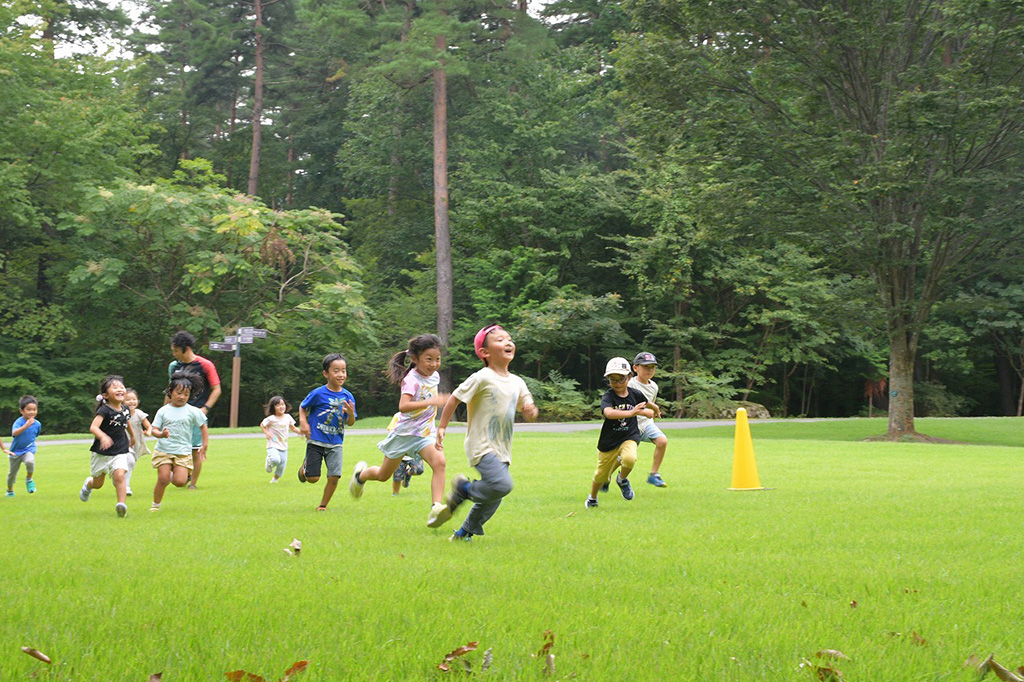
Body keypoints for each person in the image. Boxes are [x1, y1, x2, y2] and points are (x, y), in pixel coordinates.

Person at [437, 324, 538, 541]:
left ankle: (463, 533)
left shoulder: (517, 382)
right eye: (500, 340)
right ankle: (464, 489)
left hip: (502, 447)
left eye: (509, 338)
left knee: (493, 497)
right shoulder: (482, 377)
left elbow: (527, 406)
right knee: (502, 485)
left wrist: (531, 410)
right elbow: (455, 398)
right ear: (485, 352)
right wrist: (443, 426)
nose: (508, 342)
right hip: (481, 444)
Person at [349, 333, 451, 528]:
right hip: (404, 434)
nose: (434, 364)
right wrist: (431, 402)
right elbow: (403, 406)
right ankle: (360, 476)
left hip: (424, 434)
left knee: (440, 463)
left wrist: (439, 426)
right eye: (428, 359)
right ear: (415, 359)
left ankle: (436, 507)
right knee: (382, 475)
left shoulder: (435, 376)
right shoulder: (411, 379)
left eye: (437, 359)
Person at [585, 357, 653, 509]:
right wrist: (633, 413)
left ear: (629, 377)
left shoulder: (635, 394)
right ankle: (593, 497)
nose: (616, 383)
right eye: (612, 379)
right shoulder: (609, 396)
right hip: (609, 441)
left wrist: (654, 411)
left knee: (630, 459)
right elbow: (608, 413)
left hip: (629, 436)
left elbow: (647, 403)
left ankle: (622, 479)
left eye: (620, 379)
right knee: (601, 476)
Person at [297, 353, 356, 511]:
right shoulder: (318, 393)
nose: (341, 374)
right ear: (326, 373)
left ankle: (323, 505)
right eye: (336, 370)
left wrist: (350, 414)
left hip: (336, 442)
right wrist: (303, 422)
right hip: (315, 439)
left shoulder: (348, 396)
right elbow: (303, 407)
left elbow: (350, 422)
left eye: (343, 370)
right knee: (313, 478)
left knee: (334, 476)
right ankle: (305, 469)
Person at [168, 330, 221, 489]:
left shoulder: (205, 365)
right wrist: (165, 410)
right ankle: (183, 474)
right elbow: (169, 390)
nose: (174, 354)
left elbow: (216, 389)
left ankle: (193, 484)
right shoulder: (174, 366)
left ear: (186, 348)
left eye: (176, 350)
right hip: (175, 414)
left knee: (195, 450)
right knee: (171, 449)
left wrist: (205, 409)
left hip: (195, 414)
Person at [148, 372, 209, 512]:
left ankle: (171, 473)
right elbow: (154, 429)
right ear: (170, 392)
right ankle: (156, 505)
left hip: (183, 452)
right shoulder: (163, 411)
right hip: (164, 450)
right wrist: (161, 434)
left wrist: (204, 445)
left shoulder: (192, 411)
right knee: (163, 479)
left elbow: (203, 426)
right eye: (179, 393)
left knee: (180, 482)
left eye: (186, 394)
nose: (182, 397)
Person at [80, 375, 135, 518]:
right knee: (98, 484)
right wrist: (103, 436)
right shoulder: (104, 410)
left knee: (119, 475)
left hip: (120, 450)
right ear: (105, 395)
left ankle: (121, 504)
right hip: (102, 453)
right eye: (114, 387)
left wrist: (133, 436)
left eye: (121, 386)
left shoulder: (125, 409)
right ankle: (88, 484)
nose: (119, 389)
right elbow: (93, 427)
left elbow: (126, 422)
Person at [628, 352, 669, 487]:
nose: (650, 370)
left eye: (652, 367)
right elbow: (633, 405)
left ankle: (654, 474)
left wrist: (653, 412)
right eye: (646, 367)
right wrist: (652, 408)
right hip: (630, 425)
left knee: (662, 441)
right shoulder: (630, 385)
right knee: (624, 459)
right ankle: (608, 477)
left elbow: (649, 405)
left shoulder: (654, 386)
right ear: (635, 368)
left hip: (646, 424)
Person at [7, 395, 41, 496]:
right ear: (21, 411)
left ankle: (29, 479)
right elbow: (14, 433)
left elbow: (36, 434)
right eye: (29, 410)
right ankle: (10, 491)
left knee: (30, 461)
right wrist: (26, 426)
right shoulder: (19, 422)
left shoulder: (37, 424)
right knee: (11, 475)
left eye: (34, 409)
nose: (32, 412)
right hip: (15, 451)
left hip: (28, 448)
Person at [261, 396, 300, 483]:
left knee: (282, 465)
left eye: (282, 404)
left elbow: (293, 428)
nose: (281, 407)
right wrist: (267, 433)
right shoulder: (271, 419)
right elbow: (262, 425)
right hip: (273, 444)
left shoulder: (288, 417)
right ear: (273, 407)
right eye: (278, 405)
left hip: (283, 445)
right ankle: (269, 461)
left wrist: (302, 432)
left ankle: (275, 480)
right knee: (275, 460)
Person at [124, 388, 152, 497]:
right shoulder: (120, 413)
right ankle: (126, 486)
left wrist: (148, 432)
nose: (131, 402)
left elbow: (148, 425)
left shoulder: (139, 413)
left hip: (136, 444)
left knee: (131, 463)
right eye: (128, 399)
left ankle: (120, 482)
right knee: (129, 462)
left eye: (134, 399)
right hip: (124, 443)